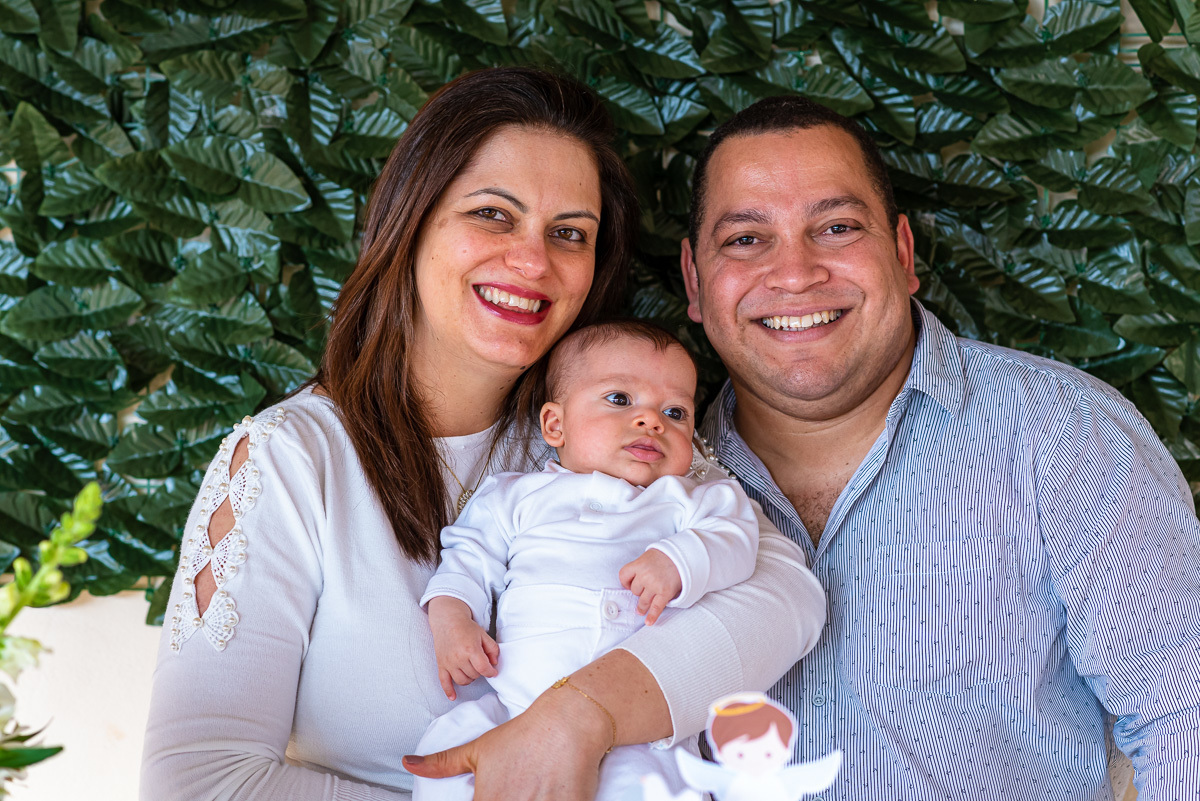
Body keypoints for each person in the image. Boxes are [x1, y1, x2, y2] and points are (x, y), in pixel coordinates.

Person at [140, 67, 826, 801]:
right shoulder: (290, 459)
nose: (533, 261)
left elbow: (789, 595)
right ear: (411, 221)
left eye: (569, 233)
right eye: (493, 215)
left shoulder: (610, 426)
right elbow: (197, 780)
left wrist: (583, 715)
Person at [679, 94, 1200, 799]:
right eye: (746, 239)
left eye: (836, 227)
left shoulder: (1064, 432)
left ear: (902, 253)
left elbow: (1183, 714)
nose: (795, 273)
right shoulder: (639, 483)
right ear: (695, 280)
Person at [415, 320, 761, 801]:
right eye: (620, 399)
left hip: (642, 728)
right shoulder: (515, 497)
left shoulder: (689, 498)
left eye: (675, 412)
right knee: (448, 753)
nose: (652, 420)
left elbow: (736, 540)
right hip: (518, 708)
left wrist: (679, 560)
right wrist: (452, 618)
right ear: (555, 425)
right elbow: (468, 557)